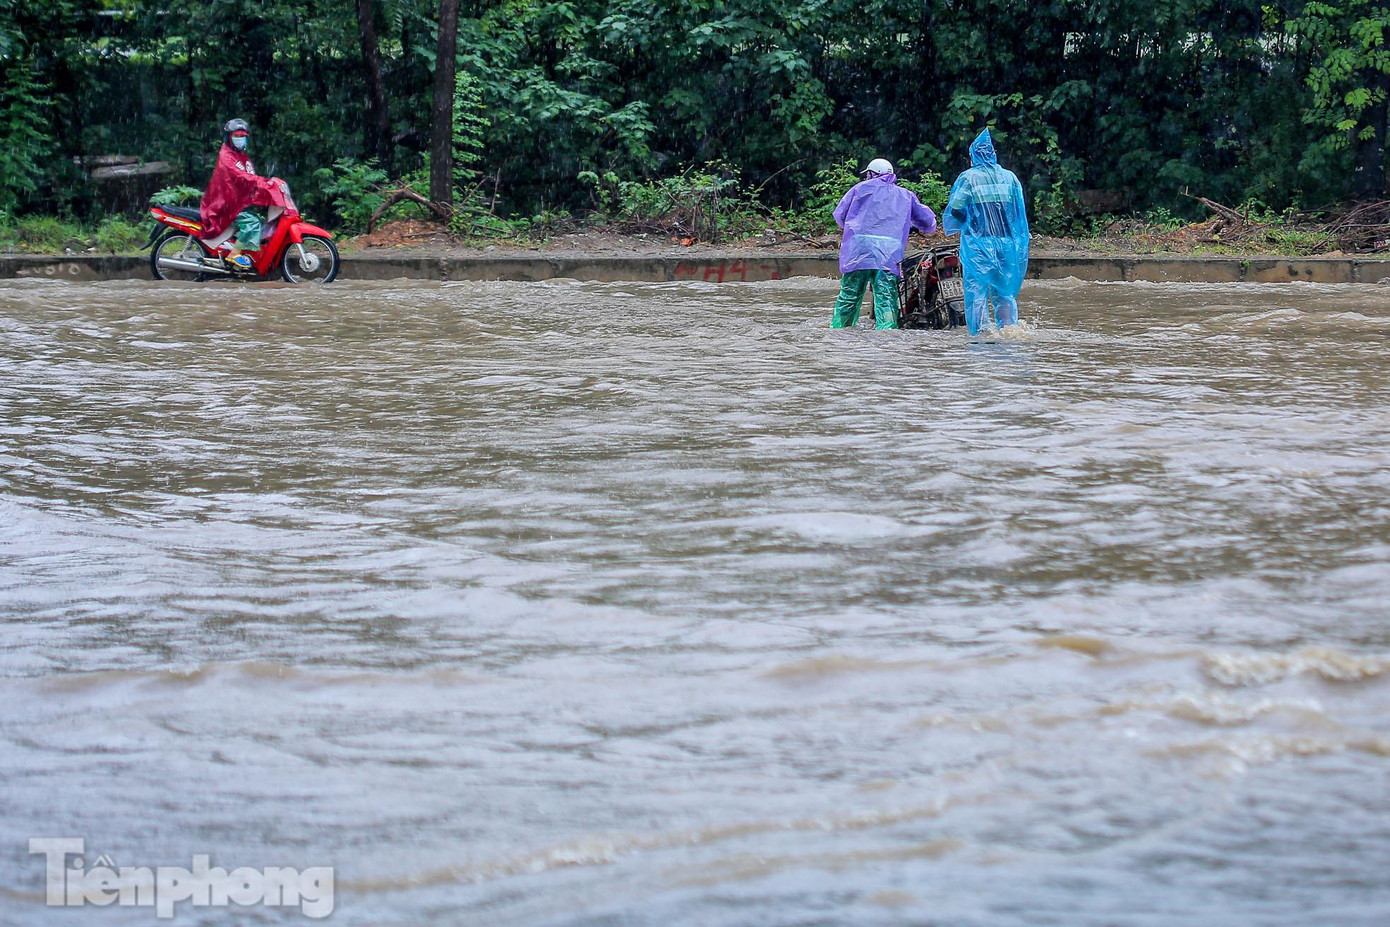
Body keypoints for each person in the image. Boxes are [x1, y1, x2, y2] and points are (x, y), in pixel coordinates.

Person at [831, 158, 938, 330]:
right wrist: (925, 228)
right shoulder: (905, 195)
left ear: (872, 174)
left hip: (859, 251)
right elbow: (928, 223)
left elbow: (840, 216)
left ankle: (839, 330)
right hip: (888, 254)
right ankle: (886, 334)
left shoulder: (859, 189)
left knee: (849, 295)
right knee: (886, 296)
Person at [943, 129, 1030, 335]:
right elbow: (1018, 214)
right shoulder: (1010, 178)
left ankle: (982, 333)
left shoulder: (969, 178)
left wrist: (970, 223)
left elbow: (955, 208)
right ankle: (1009, 329)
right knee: (1004, 290)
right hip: (1007, 243)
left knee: (977, 290)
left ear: (973, 155)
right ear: (993, 153)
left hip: (980, 243)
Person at [200, 118, 288, 269]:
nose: (240, 139)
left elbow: (249, 180)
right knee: (252, 223)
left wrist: (268, 186)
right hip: (224, 205)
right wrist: (266, 183)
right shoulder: (226, 156)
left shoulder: (240, 156)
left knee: (259, 220)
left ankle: (242, 250)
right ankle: (234, 254)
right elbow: (242, 177)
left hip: (235, 202)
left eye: (243, 136)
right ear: (229, 137)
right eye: (236, 136)